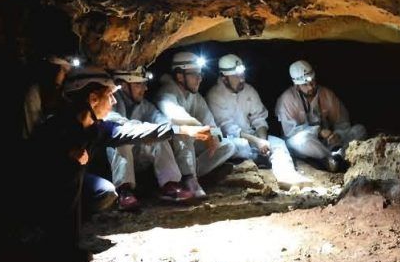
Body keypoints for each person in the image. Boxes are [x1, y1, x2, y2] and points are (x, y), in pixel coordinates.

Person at [29, 66, 175, 262]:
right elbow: (34, 158)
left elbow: (130, 130)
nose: (114, 101)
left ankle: (73, 227)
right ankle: (58, 244)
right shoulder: (55, 128)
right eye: (110, 95)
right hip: (36, 193)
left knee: (105, 192)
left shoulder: (94, 128)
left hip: (73, 187)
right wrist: (65, 152)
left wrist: (178, 129)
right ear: (93, 99)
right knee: (69, 168)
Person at [107, 67, 215, 207]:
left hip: (137, 157)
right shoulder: (109, 104)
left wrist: (184, 129)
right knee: (122, 141)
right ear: (122, 86)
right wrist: (157, 129)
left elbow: (163, 122)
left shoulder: (144, 105)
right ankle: (124, 191)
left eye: (144, 84)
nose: (145, 88)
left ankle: (170, 184)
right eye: (138, 84)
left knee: (160, 137)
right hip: (108, 162)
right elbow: (124, 128)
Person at [207, 54, 309, 188]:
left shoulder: (248, 90)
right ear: (224, 78)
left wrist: (262, 140)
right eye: (237, 76)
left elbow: (259, 118)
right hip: (231, 140)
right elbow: (227, 128)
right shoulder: (214, 95)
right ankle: (253, 161)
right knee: (238, 145)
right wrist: (257, 142)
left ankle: (286, 175)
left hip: (253, 137)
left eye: (242, 74)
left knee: (278, 143)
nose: (242, 79)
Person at [153, 51, 235, 197]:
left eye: (200, 74)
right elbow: (176, 116)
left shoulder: (195, 97)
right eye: (194, 74)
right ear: (179, 76)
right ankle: (188, 179)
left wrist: (215, 136)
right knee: (184, 131)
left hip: (187, 150)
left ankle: (191, 171)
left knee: (228, 145)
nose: (200, 78)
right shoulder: (167, 92)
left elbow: (209, 120)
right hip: (167, 148)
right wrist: (203, 129)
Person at [275, 60, 366, 172]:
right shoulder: (287, 100)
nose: (310, 87)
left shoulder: (326, 94)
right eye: (305, 84)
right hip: (305, 143)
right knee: (302, 140)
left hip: (328, 142)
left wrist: (337, 134)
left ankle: (338, 155)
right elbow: (290, 132)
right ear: (297, 86)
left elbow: (342, 121)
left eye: (312, 82)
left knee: (359, 129)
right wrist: (319, 132)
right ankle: (331, 158)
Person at [22, 55, 72, 138]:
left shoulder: (63, 91)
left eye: (65, 71)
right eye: (62, 69)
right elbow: (31, 125)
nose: (63, 74)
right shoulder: (35, 91)